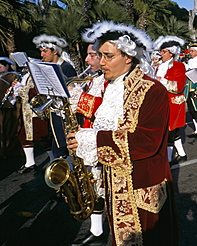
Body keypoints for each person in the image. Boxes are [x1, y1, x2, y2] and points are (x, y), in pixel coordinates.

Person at [67, 21, 178, 246]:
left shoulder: (152, 90)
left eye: (108, 56)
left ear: (128, 56)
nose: (101, 62)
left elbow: (147, 141)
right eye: (100, 55)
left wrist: (91, 139)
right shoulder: (112, 86)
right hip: (115, 182)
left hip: (141, 187)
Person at [16, 34, 78, 174]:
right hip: (53, 113)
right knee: (57, 148)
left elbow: (73, 93)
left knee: (65, 149)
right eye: (41, 51)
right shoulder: (48, 66)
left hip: (64, 115)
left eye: (45, 51)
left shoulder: (66, 67)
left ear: (55, 51)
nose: (42, 54)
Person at [69, 42, 107, 246]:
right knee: (92, 184)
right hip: (87, 136)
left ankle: (100, 232)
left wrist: (78, 98)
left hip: (100, 138)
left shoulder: (108, 81)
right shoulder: (92, 79)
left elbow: (102, 109)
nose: (86, 60)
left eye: (92, 55)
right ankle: (96, 231)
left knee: (100, 184)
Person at [154, 35, 188, 165]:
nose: (161, 54)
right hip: (160, 102)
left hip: (173, 103)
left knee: (170, 129)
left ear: (171, 53)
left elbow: (178, 87)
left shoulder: (179, 66)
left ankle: (169, 158)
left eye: (164, 51)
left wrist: (161, 80)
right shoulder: (158, 66)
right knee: (171, 130)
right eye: (161, 51)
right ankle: (182, 153)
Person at [0, 57, 19, 158]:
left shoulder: (13, 76)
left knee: (8, 129)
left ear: (7, 66)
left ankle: (8, 150)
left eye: (0, 66)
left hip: (8, 107)